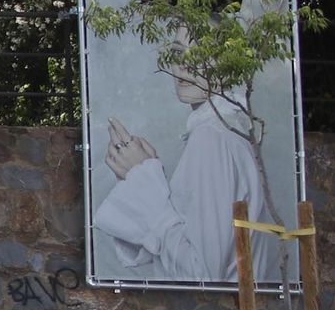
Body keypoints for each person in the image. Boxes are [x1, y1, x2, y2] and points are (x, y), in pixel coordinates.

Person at [93, 25, 280, 284]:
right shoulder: (228, 131)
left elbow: (200, 275)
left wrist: (143, 180)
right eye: (179, 54)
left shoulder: (212, 138)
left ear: (227, 65)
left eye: (202, 56)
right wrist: (144, 176)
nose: (184, 67)